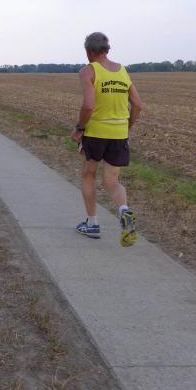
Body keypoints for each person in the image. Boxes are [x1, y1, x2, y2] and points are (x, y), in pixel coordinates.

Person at [70, 32, 143, 247]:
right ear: (107, 50)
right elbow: (138, 104)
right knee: (112, 181)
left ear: (88, 51)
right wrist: (126, 127)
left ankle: (92, 224)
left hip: (95, 132)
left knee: (89, 174)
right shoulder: (122, 71)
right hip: (119, 133)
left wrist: (79, 128)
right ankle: (124, 211)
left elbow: (89, 105)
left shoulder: (88, 71)